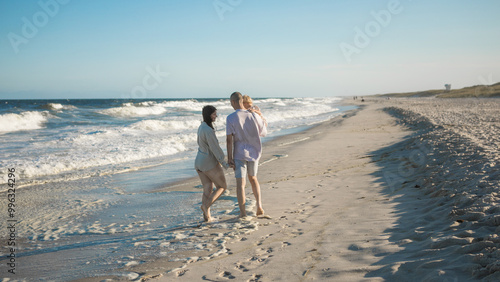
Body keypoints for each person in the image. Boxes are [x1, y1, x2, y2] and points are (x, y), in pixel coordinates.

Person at [226, 92, 267, 218]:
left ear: (233, 102)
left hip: (239, 153)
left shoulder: (231, 117)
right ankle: (259, 206)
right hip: (255, 152)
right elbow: (263, 132)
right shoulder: (254, 115)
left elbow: (229, 140)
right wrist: (260, 116)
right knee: (253, 179)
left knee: (240, 184)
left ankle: (243, 213)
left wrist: (229, 157)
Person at [195, 105, 229, 222]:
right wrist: (224, 163)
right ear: (209, 115)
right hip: (208, 162)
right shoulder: (208, 130)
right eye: (214, 114)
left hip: (199, 162)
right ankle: (206, 206)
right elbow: (215, 148)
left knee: (207, 188)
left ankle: (207, 217)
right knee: (222, 187)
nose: (216, 116)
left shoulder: (201, 127)